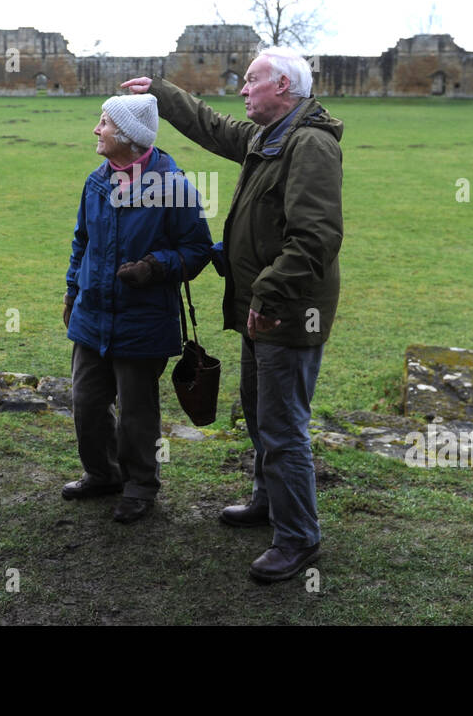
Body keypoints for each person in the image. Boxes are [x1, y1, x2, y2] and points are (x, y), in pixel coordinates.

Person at [120, 48, 343, 581]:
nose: (242, 90)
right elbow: (212, 127)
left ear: (283, 87)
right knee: (259, 411)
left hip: (284, 313)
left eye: (251, 81)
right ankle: (269, 503)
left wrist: (265, 295)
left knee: (283, 425)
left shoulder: (308, 144)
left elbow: (315, 238)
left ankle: (298, 538)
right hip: (257, 310)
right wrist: (161, 93)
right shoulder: (268, 136)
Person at [61, 94, 213, 523]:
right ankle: (102, 474)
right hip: (92, 314)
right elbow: (82, 242)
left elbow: (198, 250)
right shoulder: (96, 182)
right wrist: (72, 291)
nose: (96, 129)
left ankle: (140, 486)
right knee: (87, 402)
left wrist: (153, 267)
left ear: (127, 135)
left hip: (142, 321)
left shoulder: (175, 188)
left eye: (104, 123)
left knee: (137, 413)